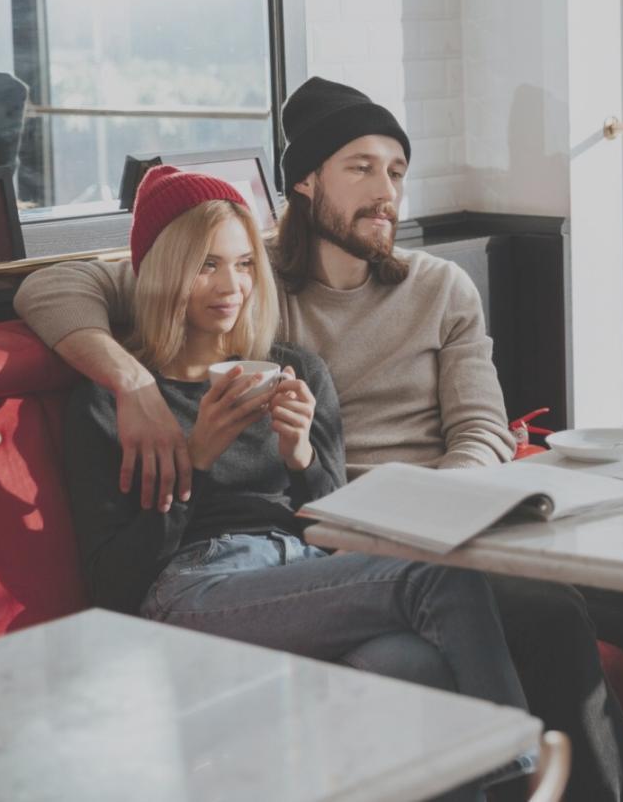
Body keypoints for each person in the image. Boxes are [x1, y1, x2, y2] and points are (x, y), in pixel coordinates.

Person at [16, 77, 623, 800]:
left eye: (398, 170)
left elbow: (477, 427)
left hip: (462, 517)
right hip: (353, 545)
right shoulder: (250, 289)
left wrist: (447, 502)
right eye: (362, 167)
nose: (387, 191)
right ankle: (547, 783)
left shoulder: (434, 290)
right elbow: (72, 285)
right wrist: (136, 385)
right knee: (542, 621)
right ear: (306, 182)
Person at [63, 165, 525, 802]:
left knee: (411, 668)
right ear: (162, 269)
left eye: (246, 263)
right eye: (206, 265)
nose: (233, 286)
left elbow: (335, 530)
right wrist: (193, 462)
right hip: (191, 594)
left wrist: (304, 454)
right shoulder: (113, 400)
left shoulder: (295, 370)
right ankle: (523, 782)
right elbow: (115, 584)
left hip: (300, 575)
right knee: (438, 573)